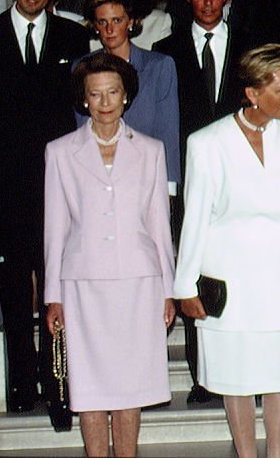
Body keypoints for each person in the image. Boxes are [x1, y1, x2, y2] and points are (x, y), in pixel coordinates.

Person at [173, 44, 280, 458]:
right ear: (253, 92)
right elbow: (196, 217)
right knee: (234, 377)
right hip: (230, 274)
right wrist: (184, 284)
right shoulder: (206, 142)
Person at [0, 0, 91, 413]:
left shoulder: (74, 38)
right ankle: (20, 387)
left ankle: (59, 384)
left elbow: (82, 115)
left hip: (59, 186)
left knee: (58, 286)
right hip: (6, 189)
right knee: (16, 291)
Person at [44, 52, 175, 458]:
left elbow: (159, 225)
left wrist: (168, 289)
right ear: (83, 99)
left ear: (126, 96)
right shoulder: (61, 151)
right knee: (90, 388)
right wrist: (54, 295)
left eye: (112, 93)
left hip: (139, 281)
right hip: (83, 283)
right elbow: (55, 226)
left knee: (130, 387)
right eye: (95, 94)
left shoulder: (151, 150)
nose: (104, 103)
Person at [153, 0, 250, 404]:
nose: (207, 2)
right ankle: (202, 377)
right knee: (191, 271)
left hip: (241, 176)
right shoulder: (165, 50)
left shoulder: (251, 47)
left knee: (237, 273)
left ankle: (240, 372)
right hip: (189, 180)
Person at [79, 0, 181, 195]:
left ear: (131, 22)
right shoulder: (82, 68)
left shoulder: (159, 66)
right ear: (95, 26)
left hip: (146, 178)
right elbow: (81, 131)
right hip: (98, 178)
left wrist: (169, 189)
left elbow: (168, 131)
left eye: (117, 20)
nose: (109, 29)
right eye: (102, 22)